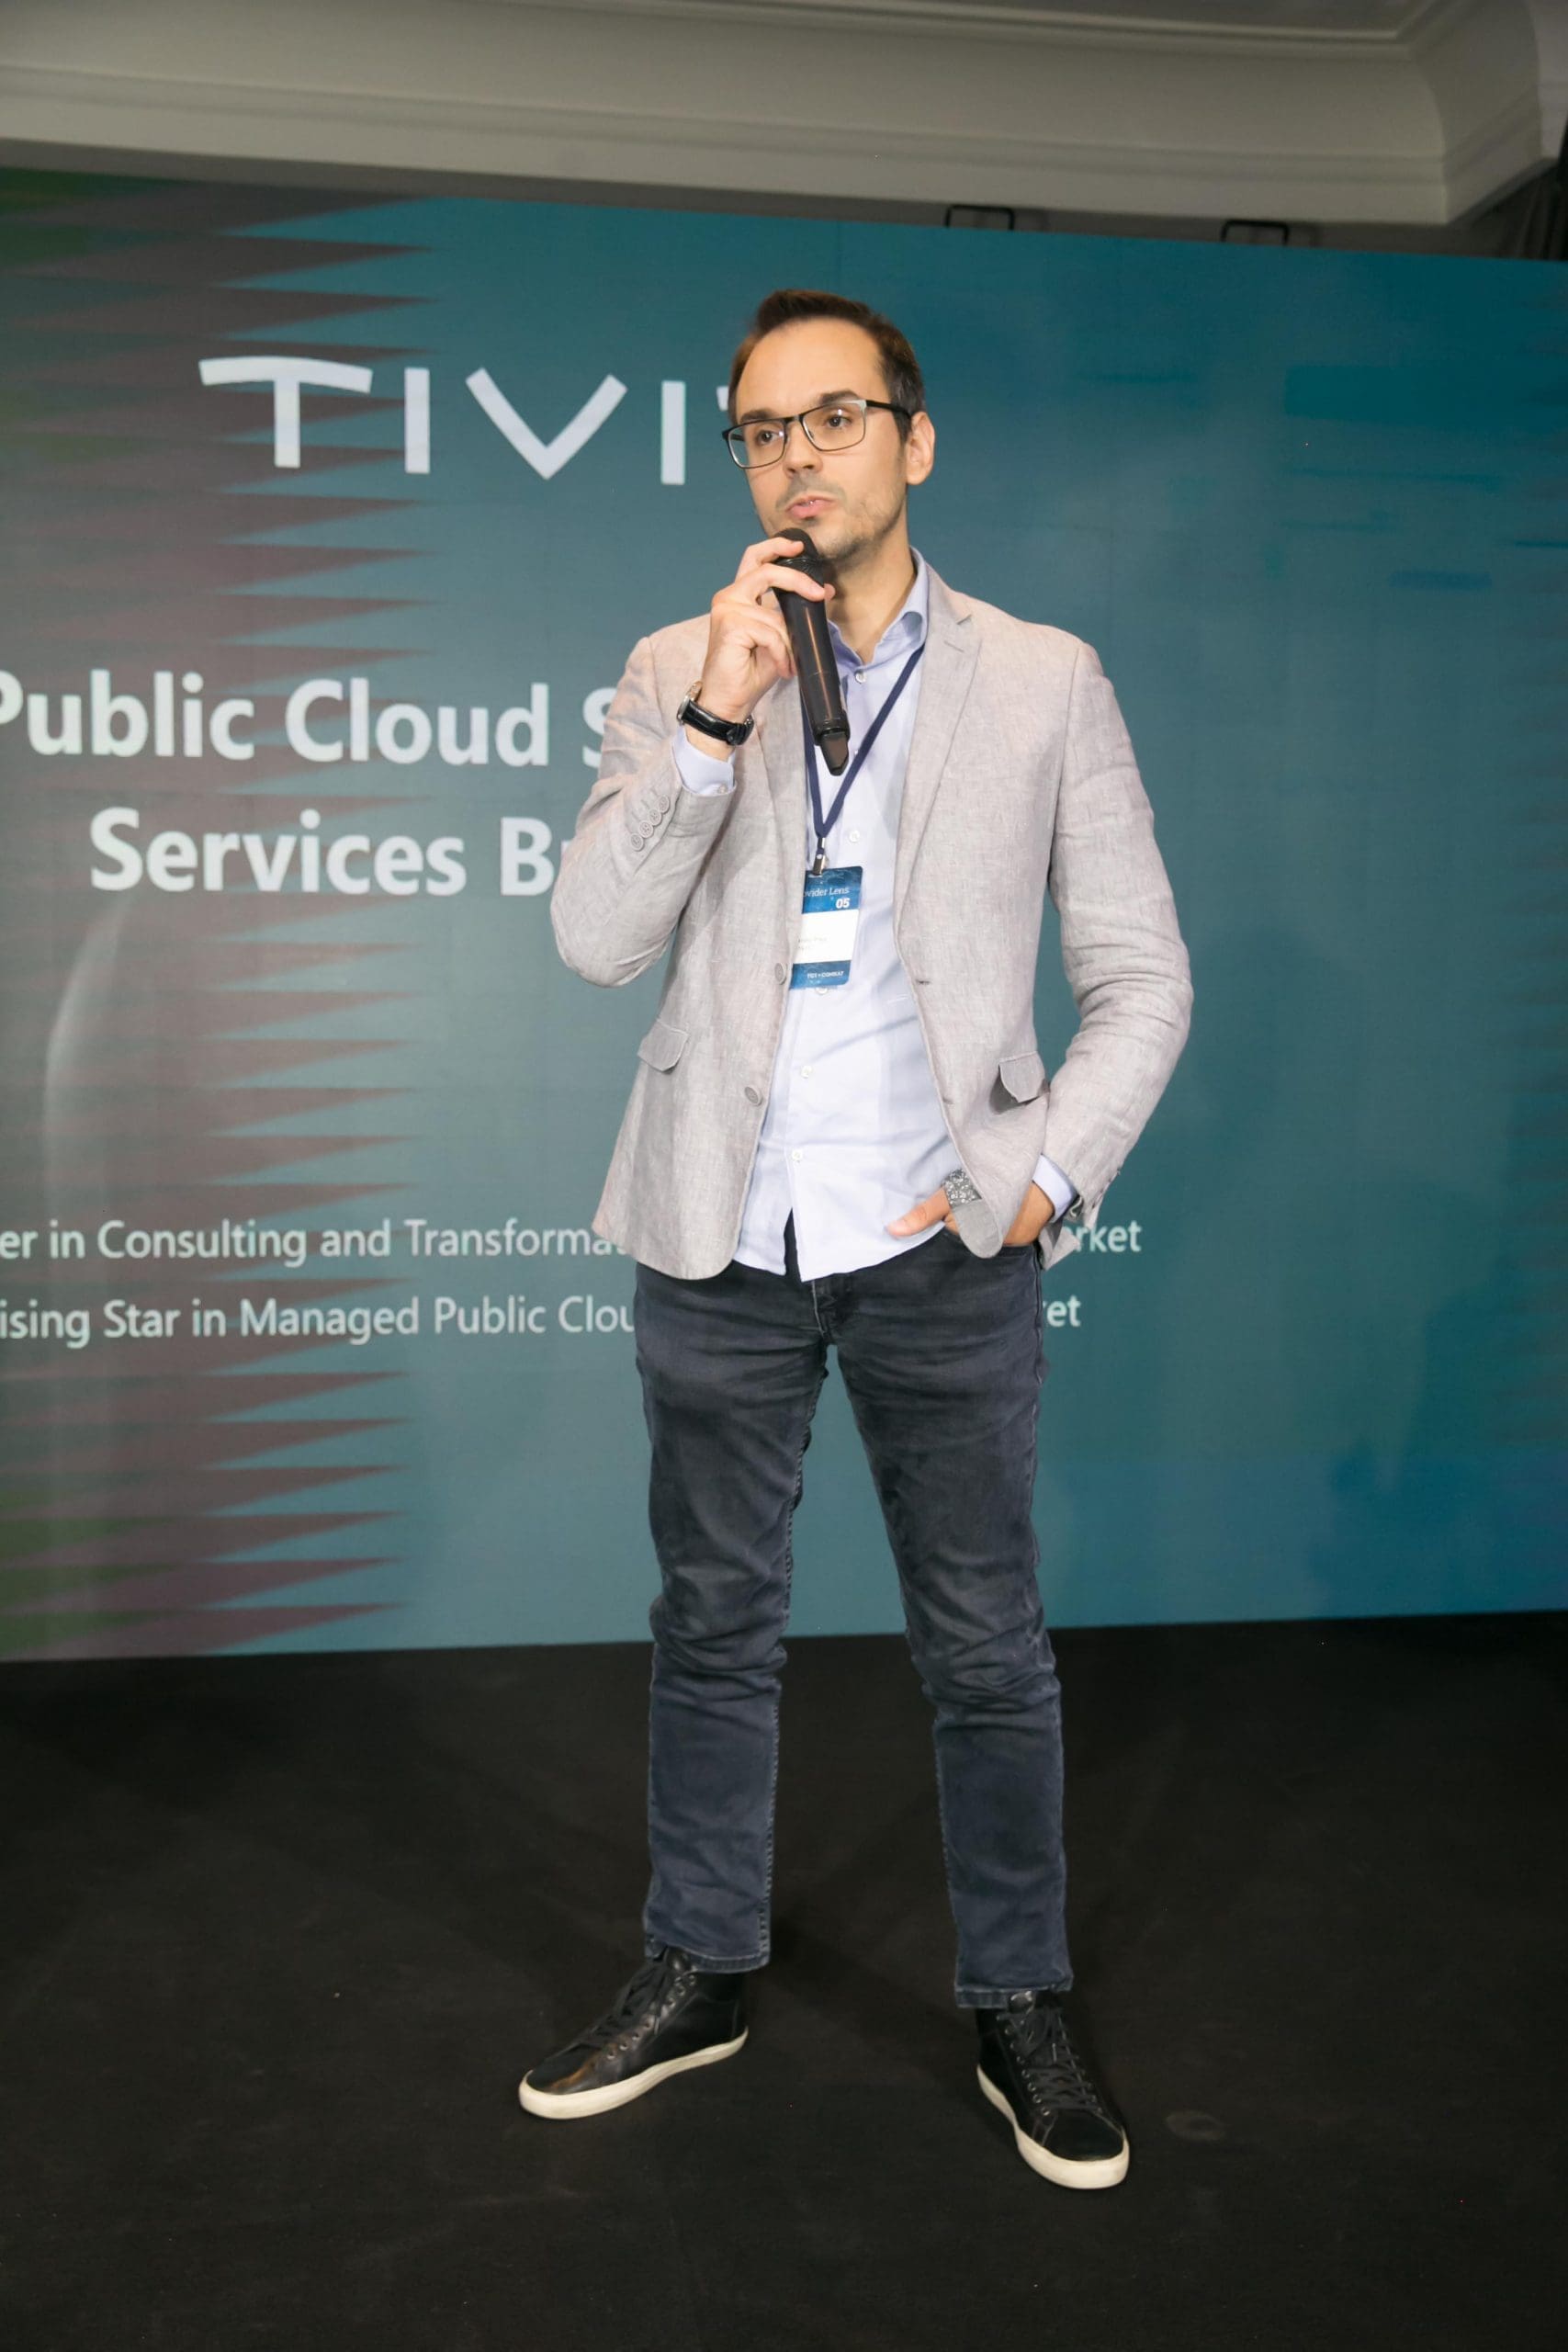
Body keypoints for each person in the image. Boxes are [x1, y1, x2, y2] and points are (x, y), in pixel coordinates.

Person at [522, 288, 1192, 2190]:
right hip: (717, 1231)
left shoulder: (1042, 678)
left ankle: (1016, 1997)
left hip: (941, 1240)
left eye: (832, 418)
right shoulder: (682, 661)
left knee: (983, 1643)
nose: (795, 457)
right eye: (762, 429)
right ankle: (700, 1963)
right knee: (711, 1624)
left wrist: (1043, 1176)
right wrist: (714, 720)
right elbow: (591, 937)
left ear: (914, 438)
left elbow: (1141, 977)